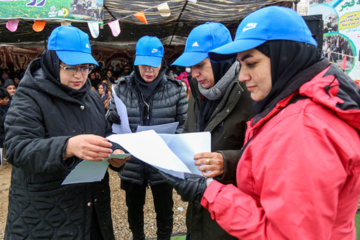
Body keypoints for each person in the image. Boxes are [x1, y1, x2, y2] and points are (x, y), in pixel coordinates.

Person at [160, 6, 360, 239]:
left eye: (251, 63)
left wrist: (209, 190)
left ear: (285, 57)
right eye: (241, 64)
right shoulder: (285, 107)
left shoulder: (304, 127)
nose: (243, 76)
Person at [3, 25, 130, 240]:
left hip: (92, 210)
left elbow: (106, 133)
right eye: (71, 67)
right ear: (52, 61)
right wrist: (67, 147)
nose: (79, 75)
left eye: (85, 67)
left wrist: (116, 152)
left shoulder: (90, 97)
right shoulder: (29, 96)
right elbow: (17, 148)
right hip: (46, 216)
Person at [170, 22, 253, 240]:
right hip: (198, 209)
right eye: (190, 66)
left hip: (233, 219)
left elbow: (265, 158)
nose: (194, 73)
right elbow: (190, 135)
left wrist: (226, 162)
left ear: (221, 61)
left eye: (200, 64)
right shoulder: (198, 92)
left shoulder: (250, 93)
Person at [106, 35, 188, 240]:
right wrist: (116, 147)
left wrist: (168, 144)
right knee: (133, 211)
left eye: (153, 65)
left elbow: (185, 125)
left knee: (165, 210)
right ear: (136, 62)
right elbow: (110, 124)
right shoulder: (122, 89)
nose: (149, 70)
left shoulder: (175, 90)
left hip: (163, 162)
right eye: (143, 65)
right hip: (132, 163)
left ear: (162, 63)